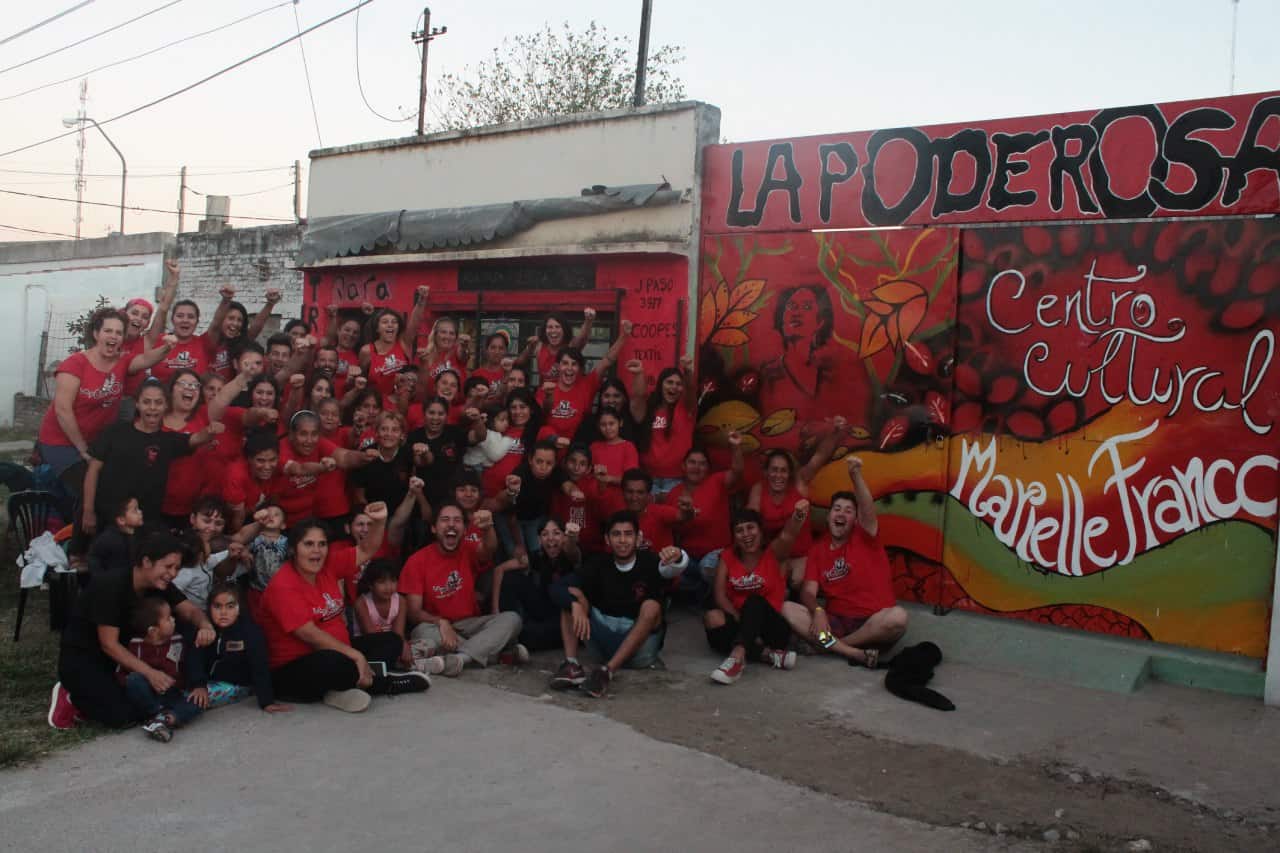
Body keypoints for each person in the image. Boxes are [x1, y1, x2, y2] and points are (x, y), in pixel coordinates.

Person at [259, 504, 429, 712]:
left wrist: (379, 522)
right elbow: (309, 634)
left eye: (322, 544)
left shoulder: (327, 565)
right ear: (293, 549)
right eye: (308, 544)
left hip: (339, 651)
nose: (316, 551)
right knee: (334, 661)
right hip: (294, 670)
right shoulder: (283, 584)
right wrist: (355, 655)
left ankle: (340, 688)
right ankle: (382, 683)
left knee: (391, 641)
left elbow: (366, 550)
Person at [50, 532, 215, 730]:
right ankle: (70, 696)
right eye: (168, 566)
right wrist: (151, 673)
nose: (173, 574)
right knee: (122, 717)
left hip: (123, 659)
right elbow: (108, 644)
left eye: (177, 568)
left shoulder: (159, 585)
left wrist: (206, 626)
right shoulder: (111, 586)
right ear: (146, 561)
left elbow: (190, 611)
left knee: (142, 707)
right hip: (86, 658)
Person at [782, 457, 909, 668]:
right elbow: (808, 593)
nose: (841, 513)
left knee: (898, 618)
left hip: (872, 624)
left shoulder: (865, 536)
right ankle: (853, 653)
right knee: (787, 608)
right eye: (837, 509)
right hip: (836, 622)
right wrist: (818, 612)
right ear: (828, 516)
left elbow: (867, 508)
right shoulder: (817, 549)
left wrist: (855, 474)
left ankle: (831, 647)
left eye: (848, 511)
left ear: (855, 521)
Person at [550, 511, 688, 696]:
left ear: (638, 538)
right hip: (602, 643)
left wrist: (678, 555)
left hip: (640, 651)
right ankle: (571, 665)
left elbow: (674, 568)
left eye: (628, 534)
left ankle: (606, 672)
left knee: (652, 606)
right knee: (572, 595)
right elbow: (557, 588)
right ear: (607, 539)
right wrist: (574, 604)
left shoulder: (651, 562)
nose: (622, 540)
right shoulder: (598, 563)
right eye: (616, 534)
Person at [37, 307, 177, 479]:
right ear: (96, 334)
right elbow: (62, 410)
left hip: (95, 440)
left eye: (119, 333)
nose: (114, 336)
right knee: (83, 486)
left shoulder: (123, 361)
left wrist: (167, 347)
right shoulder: (75, 364)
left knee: (109, 483)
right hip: (61, 441)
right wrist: (83, 449)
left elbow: (146, 359)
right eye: (108, 331)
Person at [81, 379, 223, 537]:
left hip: (144, 524)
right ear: (137, 404)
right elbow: (93, 470)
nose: (152, 407)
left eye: (158, 402)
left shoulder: (168, 440)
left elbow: (195, 439)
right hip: (105, 517)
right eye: (147, 402)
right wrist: (88, 510)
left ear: (166, 405)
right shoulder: (115, 431)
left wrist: (210, 431)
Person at [400, 504, 523, 677]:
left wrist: (487, 527)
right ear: (434, 528)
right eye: (445, 520)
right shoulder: (416, 561)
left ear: (465, 529)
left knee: (512, 619)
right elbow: (413, 613)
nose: (451, 524)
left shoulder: (468, 549)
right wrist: (441, 622)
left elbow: (489, 549)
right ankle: (493, 652)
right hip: (434, 626)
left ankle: (461, 658)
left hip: (470, 624)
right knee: (422, 633)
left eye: (457, 520)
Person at [704, 505, 808, 685]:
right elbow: (720, 596)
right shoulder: (727, 557)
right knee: (712, 618)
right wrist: (743, 625)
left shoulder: (774, 553)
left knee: (753, 601)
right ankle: (767, 655)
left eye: (750, 528)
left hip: (772, 628)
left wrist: (798, 516)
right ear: (734, 536)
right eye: (739, 530)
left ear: (761, 531)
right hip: (742, 621)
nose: (746, 534)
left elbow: (788, 535)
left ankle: (737, 658)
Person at [747, 417, 849, 589]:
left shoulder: (799, 482)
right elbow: (750, 524)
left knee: (797, 582)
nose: (778, 475)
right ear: (766, 472)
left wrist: (836, 433)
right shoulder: (758, 489)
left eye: (783, 471)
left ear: (790, 474)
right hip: (773, 555)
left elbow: (820, 456)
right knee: (768, 585)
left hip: (801, 556)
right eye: (774, 470)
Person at [187, 583, 292, 713]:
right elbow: (195, 658)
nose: (223, 612)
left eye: (230, 606)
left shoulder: (250, 632)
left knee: (195, 700)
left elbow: (260, 666)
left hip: (237, 684)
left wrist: (266, 702)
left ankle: (170, 717)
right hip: (208, 681)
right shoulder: (206, 629)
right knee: (190, 693)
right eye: (217, 606)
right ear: (209, 608)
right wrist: (198, 684)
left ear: (239, 608)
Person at [664, 433, 745, 594]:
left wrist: (736, 447)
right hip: (689, 558)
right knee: (670, 572)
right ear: (683, 466)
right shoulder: (673, 494)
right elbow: (671, 530)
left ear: (708, 468)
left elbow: (737, 471)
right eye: (692, 462)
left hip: (718, 554)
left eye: (702, 464)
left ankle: (710, 593)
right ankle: (704, 591)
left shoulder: (717, 481)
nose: (696, 467)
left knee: (706, 567)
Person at [119, 597, 203, 743]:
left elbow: (188, 666)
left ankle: (164, 719)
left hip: (172, 693)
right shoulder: (136, 645)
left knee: (197, 702)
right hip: (148, 695)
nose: (173, 620)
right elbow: (122, 673)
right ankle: (157, 716)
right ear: (153, 630)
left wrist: (192, 685)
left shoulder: (179, 640)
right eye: (168, 618)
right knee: (133, 680)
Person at [496, 518, 579, 652]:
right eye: (545, 534)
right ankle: (507, 626)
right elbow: (500, 570)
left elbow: (572, 551)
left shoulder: (570, 555)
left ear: (564, 537)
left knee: (531, 635)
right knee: (511, 578)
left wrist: (572, 538)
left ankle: (515, 641)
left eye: (556, 533)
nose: (550, 538)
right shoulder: (537, 556)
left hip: (566, 616)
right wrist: (496, 611)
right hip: (543, 609)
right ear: (539, 540)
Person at [541, 323, 631, 440]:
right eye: (565, 363)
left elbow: (607, 361)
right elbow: (540, 419)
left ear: (580, 369)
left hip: (578, 447)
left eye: (574, 364)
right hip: (549, 447)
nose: (569, 368)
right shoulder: (547, 388)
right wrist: (548, 396)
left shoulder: (587, 385)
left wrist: (624, 336)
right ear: (558, 367)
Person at [629, 357, 696, 499]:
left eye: (678, 384)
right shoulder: (649, 408)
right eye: (669, 382)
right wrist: (639, 373)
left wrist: (688, 370)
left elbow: (691, 389)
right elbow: (638, 397)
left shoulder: (685, 409)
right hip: (648, 479)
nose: (674, 387)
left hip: (676, 479)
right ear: (661, 385)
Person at [352, 559, 424, 673]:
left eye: (393, 581)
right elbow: (370, 634)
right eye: (382, 582)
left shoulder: (400, 601)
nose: (389, 587)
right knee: (391, 645)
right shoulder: (362, 603)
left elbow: (399, 633)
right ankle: (414, 664)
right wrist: (400, 645)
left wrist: (403, 645)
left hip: (394, 642)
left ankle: (410, 662)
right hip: (371, 644)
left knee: (425, 643)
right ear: (370, 585)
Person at [172, 496, 238, 610]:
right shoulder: (185, 569)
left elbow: (215, 559)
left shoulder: (210, 555)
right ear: (193, 518)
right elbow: (173, 593)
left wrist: (233, 551)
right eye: (206, 521)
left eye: (218, 523)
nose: (211, 528)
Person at [360, 288, 428, 397]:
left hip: (403, 402)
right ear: (377, 328)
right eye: (385, 322)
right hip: (378, 404)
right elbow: (361, 379)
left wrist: (421, 300)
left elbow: (414, 323)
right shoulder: (367, 351)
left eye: (394, 322)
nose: (390, 325)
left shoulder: (403, 343)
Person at [516, 309, 596, 385]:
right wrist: (529, 347)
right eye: (550, 327)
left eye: (557, 327)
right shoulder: (539, 346)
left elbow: (582, 338)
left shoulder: (570, 345)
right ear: (545, 330)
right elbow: (519, 363)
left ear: (564, 330)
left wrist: (588, 321)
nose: (553, 331)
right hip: (543, 392)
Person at [620, 468, 685, 554]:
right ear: (623, 493)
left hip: (661, 562)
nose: (634, 497)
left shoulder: (660, 512)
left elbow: (683, 516)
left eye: (640, 492)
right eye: (630, 492)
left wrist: (688, 510)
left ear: (649, 495)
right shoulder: (617, 518)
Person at [86, 496, 143, 577]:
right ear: (121, 520)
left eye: (139, 509)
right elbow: (93, 557)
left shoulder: (137, 536)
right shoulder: (110, 539)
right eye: (135, 510)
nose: (140, 512)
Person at [588, 407, 639, 491]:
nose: (608, 428)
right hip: (596, 494)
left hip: (620, 495)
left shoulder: (628, 447)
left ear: (620, 423)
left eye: (611, 423)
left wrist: (609, 478)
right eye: (603, 425)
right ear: (598, 426)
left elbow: (631, 479)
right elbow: (588, 473)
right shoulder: (594, 446)